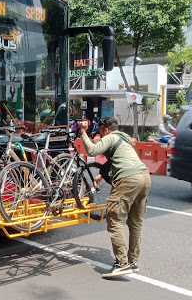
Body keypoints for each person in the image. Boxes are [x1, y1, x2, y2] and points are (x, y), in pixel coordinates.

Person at [78, 117, 151, 279]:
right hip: (144, 177)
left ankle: (122, 264)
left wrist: (82, 131)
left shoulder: (111, 137)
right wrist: (101, 176)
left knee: (114, 218)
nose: (100, 136)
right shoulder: (124, 140)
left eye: (100, 132)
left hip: (128, 179)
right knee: (135, 222)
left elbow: (91, 150)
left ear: (106, 129)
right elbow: (115, 161)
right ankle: (132, 261)